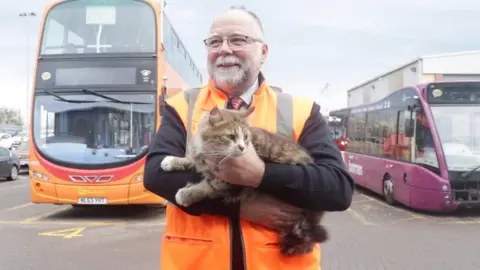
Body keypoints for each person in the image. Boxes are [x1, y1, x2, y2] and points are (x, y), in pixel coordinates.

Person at [143, 6, 354, 270]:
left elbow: (338, 190)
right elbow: (155, 175)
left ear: (263, 52)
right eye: (215, 42)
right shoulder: (181, 106)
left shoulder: (301, 111)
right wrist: (238, 208)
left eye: (238, 40)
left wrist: (261, 174)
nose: (224, 49)